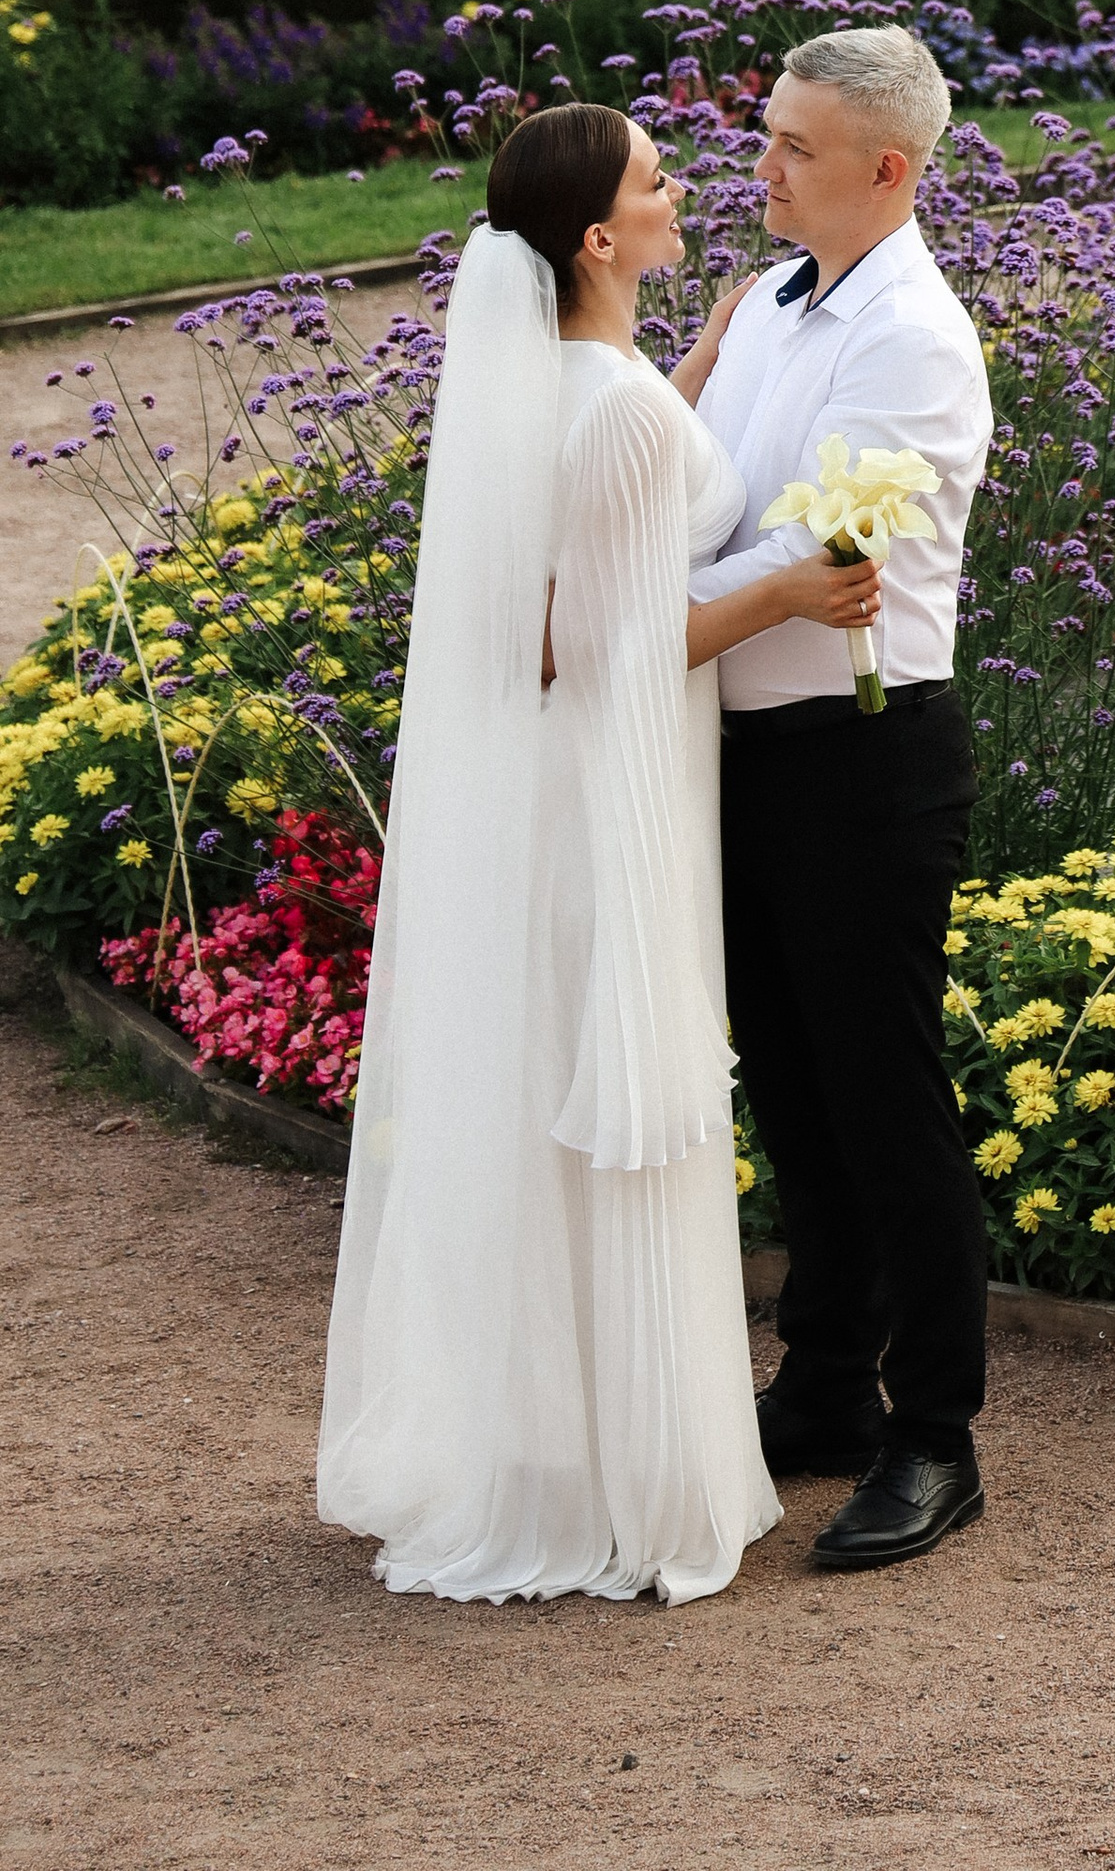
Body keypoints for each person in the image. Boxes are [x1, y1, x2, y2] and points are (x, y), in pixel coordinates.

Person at [317, 103, 875, 1605]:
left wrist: (688, 368)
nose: (680, 185)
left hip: (554, 810)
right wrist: (789, 598)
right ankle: (631, 1484)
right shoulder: (613, 410)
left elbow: (612, 500)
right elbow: (602, 644)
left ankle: (546, 1448)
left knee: (551, 1110)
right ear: (595, 237)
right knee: (612, 1116)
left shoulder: (579, 387)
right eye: (652, 179)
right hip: (613, 802)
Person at [681, 26, 994, 1574]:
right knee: (792, 1086)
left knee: (884, 1098)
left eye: (797, 149)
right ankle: (823, 1388)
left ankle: (936, 1435)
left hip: (864, 758)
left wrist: (638, 608)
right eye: (766, 135)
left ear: (890, 168)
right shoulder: (768, 306)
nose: (764, 168)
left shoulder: (914, 338)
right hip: (742, 752)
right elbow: (709, 492)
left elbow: (813, 558)